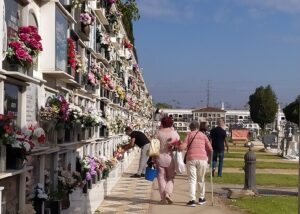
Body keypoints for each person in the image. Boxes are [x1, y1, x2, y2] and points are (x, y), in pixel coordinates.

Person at [179, 121, 212, 207]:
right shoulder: (203, 135)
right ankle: (201, 198)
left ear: (190, 128)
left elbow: (183, 147)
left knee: (192, 180)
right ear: (198, 127)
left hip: (191, 159)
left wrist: (178, 146)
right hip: (202, 159)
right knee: (201, 179)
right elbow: (210, 149)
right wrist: (209, 159)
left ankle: (192, 199)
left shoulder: (189, 135)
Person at [155, 116, 180, 204]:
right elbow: (178, 145)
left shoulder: (158, 133)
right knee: (171, 177)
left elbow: (154, 147)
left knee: (161, 178)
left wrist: (153, 159)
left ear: (162, 123)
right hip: (170, 158)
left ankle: (163, 198)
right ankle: (168, 193)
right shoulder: (174, 133)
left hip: (159, 158)